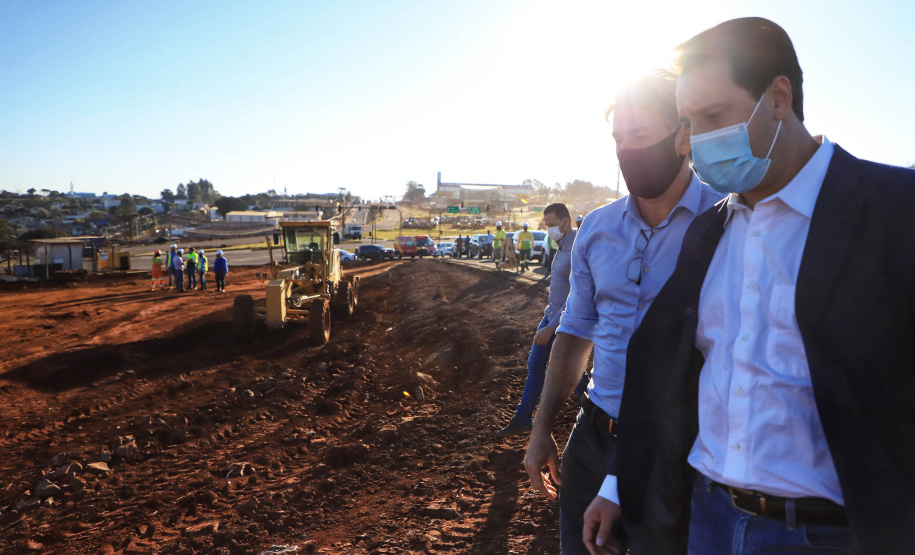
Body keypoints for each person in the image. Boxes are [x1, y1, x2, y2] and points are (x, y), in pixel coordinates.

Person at [611, 18, 915, 555]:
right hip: (709, 519)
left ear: (778, 99)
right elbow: (670, 376)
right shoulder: (710, 231)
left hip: (834, 535)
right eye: (686, 122)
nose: (691, 142)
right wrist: (618, 486)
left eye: (712, 117)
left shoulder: (895, 211)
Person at [522, 70, 722, 555]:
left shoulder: (724, 225)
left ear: (682, 137)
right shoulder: (596, 231)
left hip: (679, 449)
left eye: (641, 136)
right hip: (593, 436)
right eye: (618, 139)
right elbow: (576, 330)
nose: (627, 149)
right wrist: (542, 425)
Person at [497, 203, 589, 436]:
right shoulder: (561, 245)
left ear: (565, 223)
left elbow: (576, 294)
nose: (548, 230)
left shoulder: (578, 249)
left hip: (567, 323)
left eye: (550, 225)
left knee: (575, 374)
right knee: (537, 365)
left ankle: (589, 419)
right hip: (551, 316)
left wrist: (551, 327)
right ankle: (522, 417)